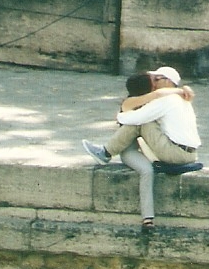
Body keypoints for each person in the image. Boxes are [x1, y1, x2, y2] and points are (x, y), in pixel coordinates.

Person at [82, 66, 201, 230]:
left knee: (142, 122)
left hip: (174, 152)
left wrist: (123, 114)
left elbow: (131, 118)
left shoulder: (167, 100)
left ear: (167, 82)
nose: (153, 83)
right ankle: (148, 219)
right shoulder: (177, 99)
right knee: (146, 169)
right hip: (186, 154)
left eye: (156, 79)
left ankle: (106, 152)